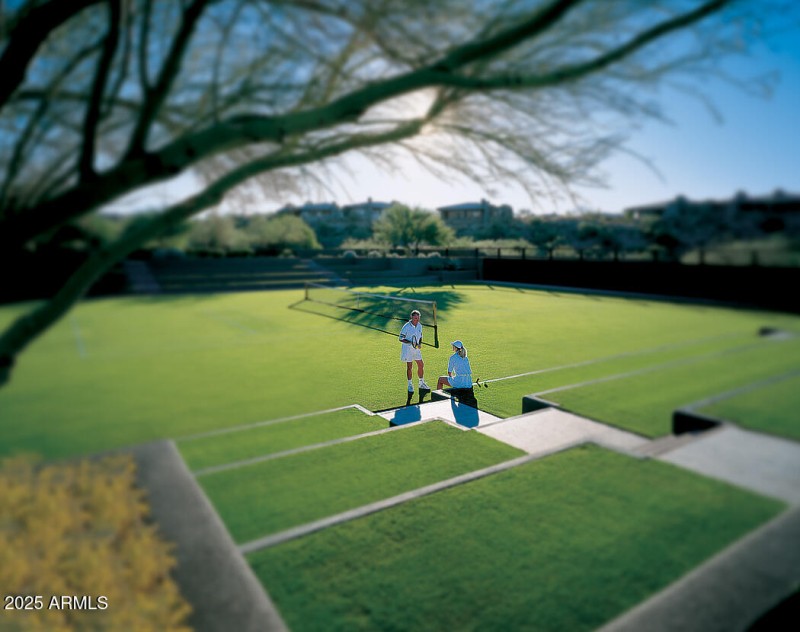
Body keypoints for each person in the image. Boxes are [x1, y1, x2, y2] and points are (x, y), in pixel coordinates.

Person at [399, 309, 430, 392]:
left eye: (418, 318)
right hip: (407, 349)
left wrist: (419, 343)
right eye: (415, 318)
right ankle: (410, 385)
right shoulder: (406, 326)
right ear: (411, 318)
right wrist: (411, 343)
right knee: (409, 367)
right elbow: (401, 338)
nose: (417, 319)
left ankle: (421, 383)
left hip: (416, 349)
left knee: (421, 364)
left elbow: (420, 336)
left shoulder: (419, 325)